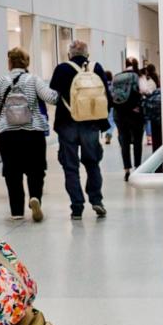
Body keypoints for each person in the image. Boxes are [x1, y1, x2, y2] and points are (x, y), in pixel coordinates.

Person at [0, 47, 57, 221]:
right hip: (33, 133)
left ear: (10, 62)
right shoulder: (34, 80)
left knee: (12, 172)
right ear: (26, 62)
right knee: (36, 170)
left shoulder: (2, 82)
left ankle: (16, 211)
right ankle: (35, 199)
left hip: (8, 134)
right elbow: (51, 98)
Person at [49, 40, 110, 219]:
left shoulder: (61, 69)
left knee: (70, 167)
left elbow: (53, 95)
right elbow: (107, 96)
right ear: (87, 54)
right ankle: (97, 200)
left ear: (69, 54)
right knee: (92, 164)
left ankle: (77, 207)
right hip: (90, 124)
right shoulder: (96, 68)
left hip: (67, 124)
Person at [112, 56, 146, 179]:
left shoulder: (117, 76)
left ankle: (127, 170)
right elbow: (145, 90)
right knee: (137, 141)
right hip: (135, 113)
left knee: (124, 141)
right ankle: (138, 167)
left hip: (120, 113)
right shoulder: (138, 76)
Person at [141, 64, 163, 153]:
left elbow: (147, 91)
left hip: (151, 105)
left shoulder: (148, 79)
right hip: (158, 105)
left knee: (150, 124)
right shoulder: (156, 77)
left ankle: (151, 140)